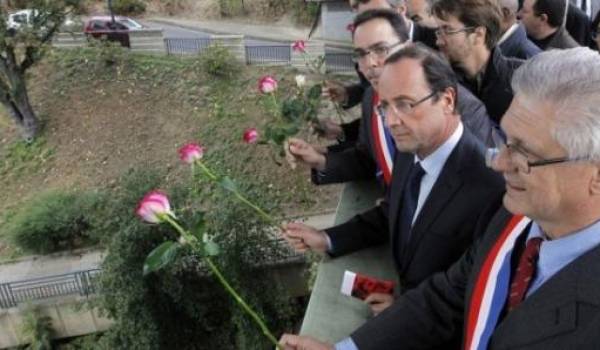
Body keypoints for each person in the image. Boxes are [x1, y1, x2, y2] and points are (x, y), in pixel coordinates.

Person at [280, 47, 600, 350]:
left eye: (524, 152)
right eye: (507, 141)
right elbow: (445, 299)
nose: (499, 162)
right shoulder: (515, 221)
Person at [283, 43, 504, 319]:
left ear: (447, 100)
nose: (391, 122)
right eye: (385, 107)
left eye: (405, 104)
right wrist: (328, 238)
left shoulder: (491, 189)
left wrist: (405, 313)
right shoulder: (412, 149)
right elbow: (395, 212)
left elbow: (476, 295)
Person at [290, 10, 493, 189]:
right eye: (361, 54)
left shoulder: (461, 107)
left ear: (407, 46)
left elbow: (477, 189)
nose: (370, 63)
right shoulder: (371, 97)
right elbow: (368, 158)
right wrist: (320, 161)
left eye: (381, 50)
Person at [432, 0, 524, 124]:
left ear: (479, 34)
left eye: (447, 30)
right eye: (438, 31)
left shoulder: (522, 80)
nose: (439, 42)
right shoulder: (440, 83)